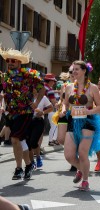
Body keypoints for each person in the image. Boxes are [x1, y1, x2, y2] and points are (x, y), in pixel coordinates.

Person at [60, 61, 100, 191]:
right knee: (69, 155)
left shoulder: (93, 88)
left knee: (83, 153)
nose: (74, 72)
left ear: (84, 71)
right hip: (73, 120)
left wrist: (89, 111)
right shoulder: (69, 87)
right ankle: (80, 169)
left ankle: (85, 180)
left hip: (88, 121)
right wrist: (63, 110)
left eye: (77, 69)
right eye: (73, 70)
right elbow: (65, 103)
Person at [0, 47, 45, 180]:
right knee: (21, 141)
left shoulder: (29, 74)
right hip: (11, 113)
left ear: (19, 62)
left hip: (25, 112)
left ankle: (19, 169)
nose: (10, 63)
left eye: (13, 60)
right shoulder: (6, 76)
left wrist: (36, 103)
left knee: (14, 139)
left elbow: (42, 89)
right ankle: (29, 165)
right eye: (8, 60)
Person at [27, 88, 53, 169]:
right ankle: (32, 162)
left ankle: (38, 157)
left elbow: (51, 107)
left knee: (33, 141)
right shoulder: (25, 97)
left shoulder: (43, 97)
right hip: (26, 121)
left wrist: (43, 112)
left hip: (38, 121)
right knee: (28, 144)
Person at [44, 73, 58, 146]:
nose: (54, 83)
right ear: (50, 81)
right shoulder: (49, 89)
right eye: (53, 81)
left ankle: (52, 140)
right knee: (54, 126)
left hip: (38, 109)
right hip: (48, 110)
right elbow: (54, 101)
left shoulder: (42, 87)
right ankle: (51, 141)